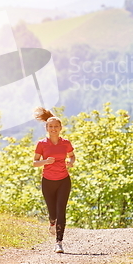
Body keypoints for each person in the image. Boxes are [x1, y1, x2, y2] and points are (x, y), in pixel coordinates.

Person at [33, 107, 75, 253]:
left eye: (56, 126)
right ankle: (52, 222)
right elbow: (35, 162)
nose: (53, 129)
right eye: (51, 126)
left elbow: (71, 155)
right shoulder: (42, 144)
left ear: (60, 128)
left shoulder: (66, 143)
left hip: (64, 180)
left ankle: (59, 242)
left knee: (61, 210)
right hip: (48, 181)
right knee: (53, 213)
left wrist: (71, 161)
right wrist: (45, 162)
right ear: (46, 128)